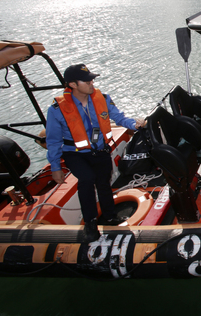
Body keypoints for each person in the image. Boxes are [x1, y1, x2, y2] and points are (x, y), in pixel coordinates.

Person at [46, 64, 145, 242]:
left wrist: (135, 124)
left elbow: (119, 117)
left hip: (100, 151)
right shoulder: (56, 109)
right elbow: (53, 140)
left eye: (92, 79)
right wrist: (55, 167)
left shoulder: (103, 98)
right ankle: (90, 223)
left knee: (103, 183)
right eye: (87, 80)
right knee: (86, 179)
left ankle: (109, 216)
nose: (92, 82)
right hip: (75, 154)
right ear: (73, 85)